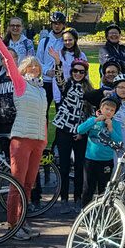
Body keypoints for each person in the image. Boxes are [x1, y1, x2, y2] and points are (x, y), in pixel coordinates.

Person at [0, 19, 46, 241]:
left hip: (37, 140)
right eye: (29, 66)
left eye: (36, 66)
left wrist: (44, 140)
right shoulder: (20, 83)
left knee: (29, 185)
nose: (33, 69)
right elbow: (9, 59)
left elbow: (43, 117)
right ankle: (12, 224)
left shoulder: (41, 90)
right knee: (17, 184)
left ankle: (23, 221)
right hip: (21, 139)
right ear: (22, 70)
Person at [49, 49, 93, 214]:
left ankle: (78, 198)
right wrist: (57, 62)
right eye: (75, 71)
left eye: (81, 72)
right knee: (65, 166)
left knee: (80, 165)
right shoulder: (67, 84)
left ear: (85, 73)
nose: (78, 74)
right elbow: (59, 79)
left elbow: (89, 113)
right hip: (64, 129)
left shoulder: (89, 90)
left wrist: (83, 131)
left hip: (80, 131)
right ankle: (64, 199)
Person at [76, 95, 124, 207]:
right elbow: (80, 130)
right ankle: (85, 213)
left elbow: (118, 142)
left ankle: (101, 213)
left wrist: (111, 129)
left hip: (106, 161)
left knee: (103, 189)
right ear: (101, 109)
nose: (109, 112)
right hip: (91, 160)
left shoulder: (115, 124)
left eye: (112, 110)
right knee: (88, 187)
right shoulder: (93, 120)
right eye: (106, 109)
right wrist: (95, 120)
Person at [35, 11, 67, 111]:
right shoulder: (44, 42)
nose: (57, 26)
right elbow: (38, 60)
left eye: (60, 23)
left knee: (61, 111)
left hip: (61, 81)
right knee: (43, 111)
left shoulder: (66, 41)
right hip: (46, 81)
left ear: (63, 25)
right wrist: (46, 71)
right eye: (54, 23)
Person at [51, 28, 87, 106]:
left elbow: (86, 75)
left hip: (77, 92)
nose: (67, 42)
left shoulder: (81, 55)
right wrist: (57, 97)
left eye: (70, 40)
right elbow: (57, 75)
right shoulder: (59, 54)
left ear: (75, 40)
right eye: (65, 40)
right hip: (62, 91)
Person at [0, 48, 19, 134]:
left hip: (20, 122)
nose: (7, 60)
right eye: (4, 58)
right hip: (4, 122)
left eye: (10, 57)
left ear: (17, 59)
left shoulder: (24, 78)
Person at [111, 74, 125, 152]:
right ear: (115, 88)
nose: (123, 90)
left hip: (122, 133)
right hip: (109, 132)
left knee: (124, 159)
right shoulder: (108, 102)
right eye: (120, 87)